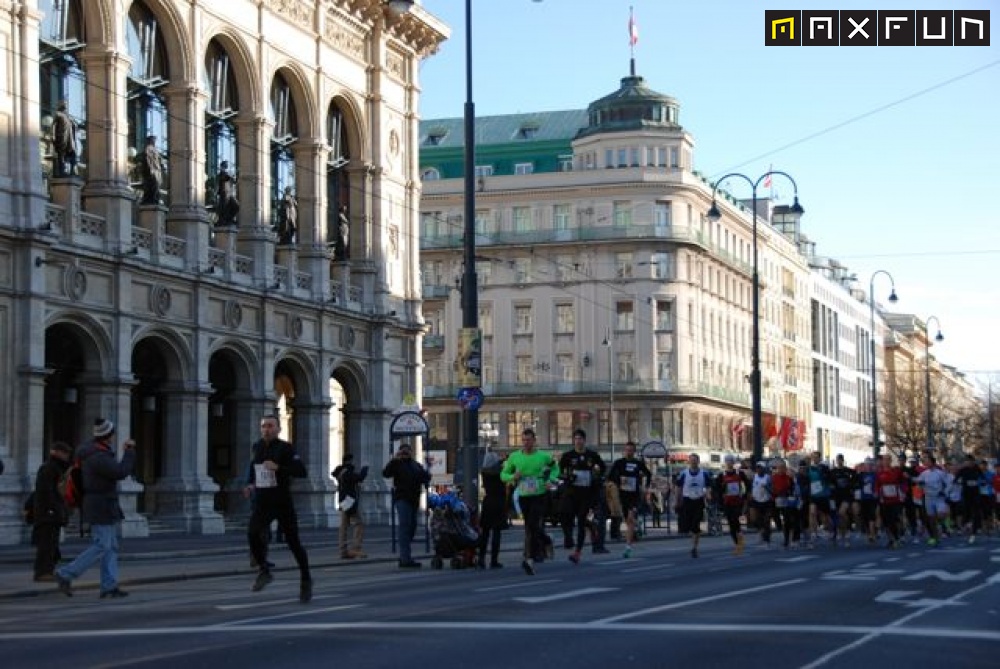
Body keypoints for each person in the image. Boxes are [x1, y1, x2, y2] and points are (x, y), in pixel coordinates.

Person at [54, 419, 136, 598]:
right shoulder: (98, 456)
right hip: (100, 505)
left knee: (111, 546)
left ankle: (109, 586)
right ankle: (65, 574)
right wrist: (129, 452)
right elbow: (121, 472)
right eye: (112, 433)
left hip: (103, 503)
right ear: (108, 436)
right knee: (102, 545)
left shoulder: (94, 452)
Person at [243, 415, 313, 602]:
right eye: (263, 426)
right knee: (252, 533)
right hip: (263, 501)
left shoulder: (286, 448)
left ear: (278, 429)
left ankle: (306, 579)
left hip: (282, 501)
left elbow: (301, 471)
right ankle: (264, 570)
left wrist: (278, 467)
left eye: (270, 426)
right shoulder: (257, 447)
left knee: (293, 543)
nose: (266, 429)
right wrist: (250, 484)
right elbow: (254, 467)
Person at [501, 428, 559, 575]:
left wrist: (550, 480)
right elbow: (503, 474)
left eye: (529, 440)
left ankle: (529, 559)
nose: (526, 443)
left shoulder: (543, 456)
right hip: (523, 495)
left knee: (532, 526)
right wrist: (513, 476)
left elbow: (555, 468)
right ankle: (546, 540)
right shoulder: (514, 457)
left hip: (539, 495)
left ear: (534, 441)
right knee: (530, 527)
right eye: (524, 440)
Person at [559, 428, 606, 565]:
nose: (578, 441)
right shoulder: (568, 456)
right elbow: (559, 471)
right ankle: (572, 534)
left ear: (584, 441)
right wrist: (568, 476)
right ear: (573, 441)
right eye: (576, 439)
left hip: (586, 493)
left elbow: (602, 468)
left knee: (580, 522)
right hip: (571, 492)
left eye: (580, 439)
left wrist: (596, 476)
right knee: (563, 513)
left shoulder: (592, 455)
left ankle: (577, 553)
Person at [382, 442, 431, 568]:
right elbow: (386, 473)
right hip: (402, 499)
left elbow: (425, 477)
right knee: (404, 526)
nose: (405, 453)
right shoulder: (396, 464)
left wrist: (427, 474)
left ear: (411, 452)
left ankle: (404, 551)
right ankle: (405, 558)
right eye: (403, 451)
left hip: (414, 500)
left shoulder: (416, 465)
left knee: (412, 527)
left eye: (407, 451)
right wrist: (394, 459)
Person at [32, 441, 73, 581]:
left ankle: (47, 570)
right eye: (65, 453)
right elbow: (46, 492)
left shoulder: (56, 468)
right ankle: (43, 572)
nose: (67, 456)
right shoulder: (49, 468)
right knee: (47, 543)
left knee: (51, 543)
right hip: (48, 513)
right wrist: (54, 509)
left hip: (51, 512)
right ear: (57, 452)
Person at [607, 440, 651, 558]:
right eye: (627, 450)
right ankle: (638, 525)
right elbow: (610, 476)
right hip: (622, 495)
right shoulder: (619, 463)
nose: (629, 452)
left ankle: (628, 547)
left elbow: (649, 474)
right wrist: (618, 481)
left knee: (630, 519)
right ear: (624, 451)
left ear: (634, 452)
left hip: (634, 495)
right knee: (627, 521)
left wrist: (646, 487)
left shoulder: (638, 463)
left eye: (631, 450)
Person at [675, 453, 712, 558]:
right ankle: (694, 539)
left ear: (698, 461)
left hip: (699, 500)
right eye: (691, 460)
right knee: (689, 525)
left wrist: (708, 495)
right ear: (688, 462)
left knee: (695, 525)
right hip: (687, 500)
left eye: (695, 460)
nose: (693, 462)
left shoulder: (704, 473)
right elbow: (678, 487)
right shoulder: (684, 473)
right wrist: (677, 501)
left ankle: (694, 547)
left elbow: (709, 486)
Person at [332, 453, 368, 559]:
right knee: (359, 523)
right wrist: (365, 468)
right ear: (350, 461)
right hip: (349, 501)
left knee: (344, 526)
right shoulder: (348, 472)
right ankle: (356, 548)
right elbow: (359, 478)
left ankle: (343, 550)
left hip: (343, 500)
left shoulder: (340, 472)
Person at [478, 449, 507, 569]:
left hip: (487, 502)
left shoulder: (485, 472)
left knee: (485, 533)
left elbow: (495, 465)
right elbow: (502, 470)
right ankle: (494, 560)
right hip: (499, 502)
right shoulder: (500, 472)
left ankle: (481, 558)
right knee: (496, 533)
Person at [715, 454, 749, 555]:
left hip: (738, 502)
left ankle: (739, 543)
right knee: (731, 524)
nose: (729, 463)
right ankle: (737, 543)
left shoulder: (739, 473)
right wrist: (722, 487)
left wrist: (745, 495)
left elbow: (747, 485)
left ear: (733, 462)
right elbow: (717, 490)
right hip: (727, 502)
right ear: (725, 463)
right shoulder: (722, 474)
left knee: (735, 521)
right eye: (727, 461)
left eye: (731, 461)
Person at [51, 99, 78, 177]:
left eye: (66, 104)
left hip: (70, 138)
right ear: (61, 105)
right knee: (61, 154)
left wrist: (74, 124)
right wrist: (52, 135)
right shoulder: (58, 114)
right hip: (62, 137)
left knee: (73, 152)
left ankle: (72, 171)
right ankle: (61, 171)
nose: (66, 105)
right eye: (64, 103)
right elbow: (53, 125)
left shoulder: (68, 116)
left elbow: (74, 125)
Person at [139, 135, 163, 205]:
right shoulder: (148, 148)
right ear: (150, 141)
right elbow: (147, 160)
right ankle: (152, 199)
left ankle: (155, 198)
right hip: (153, 170)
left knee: (157, 184)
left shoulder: (155, 149)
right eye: (153, 140)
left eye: (155, 140)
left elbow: (159, 160)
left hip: (157, 169)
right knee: (154, 184)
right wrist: (150, 169)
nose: (154, 141)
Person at [216, 161, 239, 226]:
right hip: (224, 193)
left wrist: (235, 177)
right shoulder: (221, 174)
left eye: (226, 165)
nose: (226, 166)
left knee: (236, 206)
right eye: (225, 165)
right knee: (224, 208)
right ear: (222, 166)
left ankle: (229, 218)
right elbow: (225, 178)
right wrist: (231, 177)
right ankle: (225, 220)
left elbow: (234, 181)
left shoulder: (227, 174)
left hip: (229, 194)